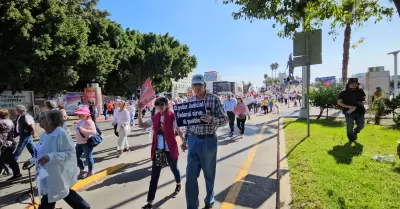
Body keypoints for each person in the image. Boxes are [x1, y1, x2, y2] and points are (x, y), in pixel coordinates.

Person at [22, 110, 90, 209]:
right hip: (47, 172)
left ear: (51, 121)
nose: (39, 121)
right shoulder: (44, 135)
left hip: (57, 173)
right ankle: (84, 207)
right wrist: (31, 160)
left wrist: (50, 157)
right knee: (62, 192)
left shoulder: (60, 133)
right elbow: (41, 152)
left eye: (42, 119)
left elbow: (69, 153)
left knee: (55, 194)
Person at [181, 74, 229, 209]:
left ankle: (209, 200)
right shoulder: (190, 100)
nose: (197, 88)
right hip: (193, 141)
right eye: (194, 85)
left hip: (208, 141)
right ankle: (192, 206)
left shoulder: (213, 99)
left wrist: (212, 119)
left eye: (199, 85)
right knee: (190, 176)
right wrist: (185, 140)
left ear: (204, 85)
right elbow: (188, 124)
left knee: (209, 174)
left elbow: (225, 119)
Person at [138, 97, 184, 209]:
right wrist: (139, 111)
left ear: (167, 105)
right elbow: (141, 125)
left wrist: (184, 142)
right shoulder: (155, 117)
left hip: (170, 149)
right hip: (158, 150)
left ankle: (178, 183)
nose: (160, 109)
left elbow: (179, 130)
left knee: (174, 169)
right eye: (157, 107)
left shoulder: (172, 116)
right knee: (154, 177)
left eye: (162, 106)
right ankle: (150, 202)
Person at [337, 78, 366, 142]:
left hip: (360, 111)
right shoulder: (343, 92)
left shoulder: (360, 91)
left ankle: (355, 131)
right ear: (348, 84)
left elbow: (363, 100)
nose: (354, 85)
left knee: (361, 125)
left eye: (356, 83)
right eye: (352, 83)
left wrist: (362, 103)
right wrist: (349, 106)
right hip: (349, 112)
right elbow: (339, 102)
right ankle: (351, 137)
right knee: (350, 126)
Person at [74, 107, 97, 178]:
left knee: (88, 157)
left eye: (81, 114)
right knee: (76, 157)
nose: (79, 115)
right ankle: (83, 169)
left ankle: (91, 170)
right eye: (79, 113)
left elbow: (93, 132)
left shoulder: (89, 121)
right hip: (79, 143)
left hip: (86, 143)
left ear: (86, 115)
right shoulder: (79, 121)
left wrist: (83, 129)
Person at [0, 109, 22, 181]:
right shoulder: (9, 121)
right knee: (10, 160)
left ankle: (17, 174)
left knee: (1, 161)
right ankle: (17, 174)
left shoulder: (1, 122)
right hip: (10, 144)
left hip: (5, 144)